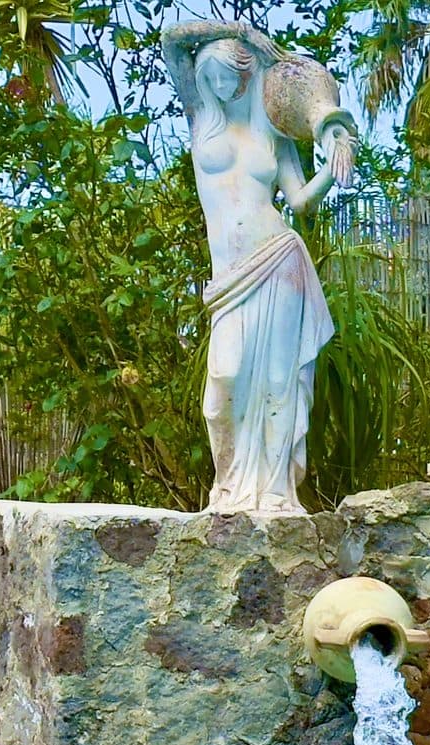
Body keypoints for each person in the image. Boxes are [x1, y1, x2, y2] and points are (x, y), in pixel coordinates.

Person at [162, 20, 347, 515]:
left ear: (247, 77)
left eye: (233, 76)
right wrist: (240, 30)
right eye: (214, 76)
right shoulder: (201, 119)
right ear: (202, 80)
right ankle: (229, 487)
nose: (224, 86)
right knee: (225, 379)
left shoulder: (272, 133)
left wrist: (334, 161)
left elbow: (301, 201)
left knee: (280, 382)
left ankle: (276, 492)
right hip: (231, 279)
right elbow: (172, 39)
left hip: (281, 260)